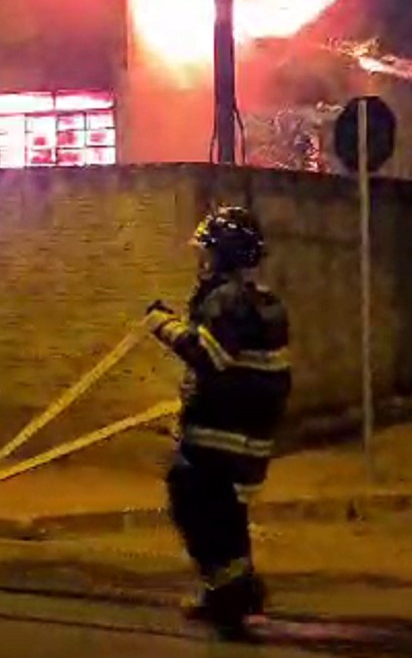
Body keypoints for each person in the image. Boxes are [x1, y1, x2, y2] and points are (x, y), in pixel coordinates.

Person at [146, 205, 291, 639]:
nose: (202, 262)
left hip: (221, 435)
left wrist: (162, 324)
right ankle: (235, 591)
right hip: (246, 436)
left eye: (208, 253)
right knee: (225, 515)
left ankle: (229, 600)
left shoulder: (227, 301)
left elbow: (209, 356)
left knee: (194, 502)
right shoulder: (262, 301)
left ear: (224, 256)